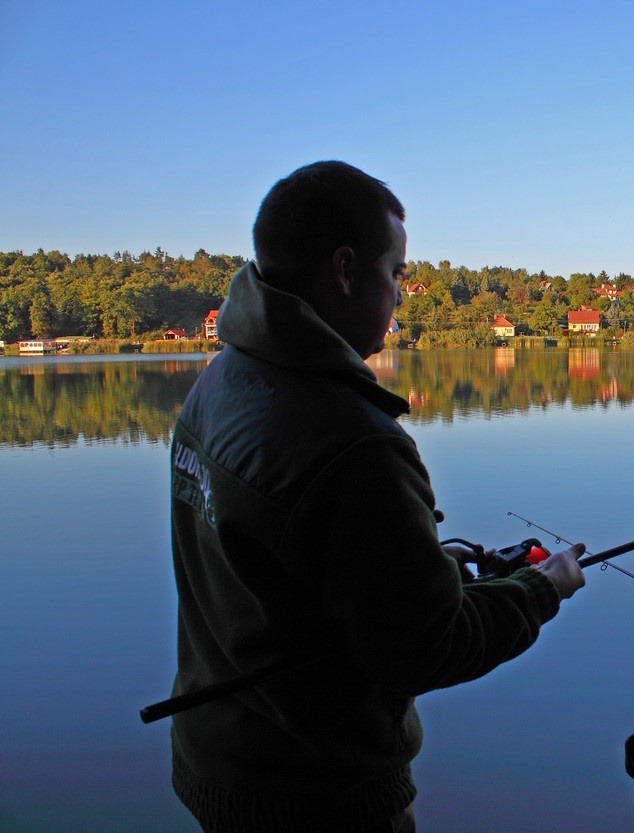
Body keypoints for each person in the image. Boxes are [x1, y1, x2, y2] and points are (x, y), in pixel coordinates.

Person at [168, 160, 585, 832]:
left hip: (223, 763)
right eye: (395, 274)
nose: (399, 297)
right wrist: (542, 589)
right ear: (344, 270)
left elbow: (308, 582)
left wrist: (444, 570)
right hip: (319, 798)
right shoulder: (353, 443)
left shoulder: (223, 381)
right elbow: (427, 646)